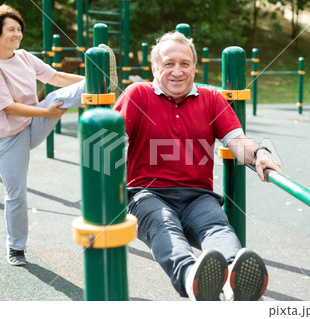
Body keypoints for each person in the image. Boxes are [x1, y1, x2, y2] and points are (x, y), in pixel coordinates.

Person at [113, 31, 283, 301]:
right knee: (163, 224)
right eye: (169, 64)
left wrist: (261, 152)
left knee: (217, 227)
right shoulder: (138, 95)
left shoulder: (211, 98)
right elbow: (110, 143)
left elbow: (237, 140)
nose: (177, 71)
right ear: (155, 68)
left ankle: (231, 279)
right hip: (148, 193)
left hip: (197, 194)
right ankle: (192, 277)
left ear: (194, 67)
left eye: (184, 64)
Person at [0, 4, 85, 266]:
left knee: (55, 95)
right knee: (16, 194)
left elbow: (56, 77)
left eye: (19, 29)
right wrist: (47, 114)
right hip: (7, 137)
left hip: (32, 123)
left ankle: (97, 83)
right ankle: (16, 247)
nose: (17, 34)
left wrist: (88, 78)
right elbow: (7, 106)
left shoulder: (24, 56)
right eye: (11, 29)